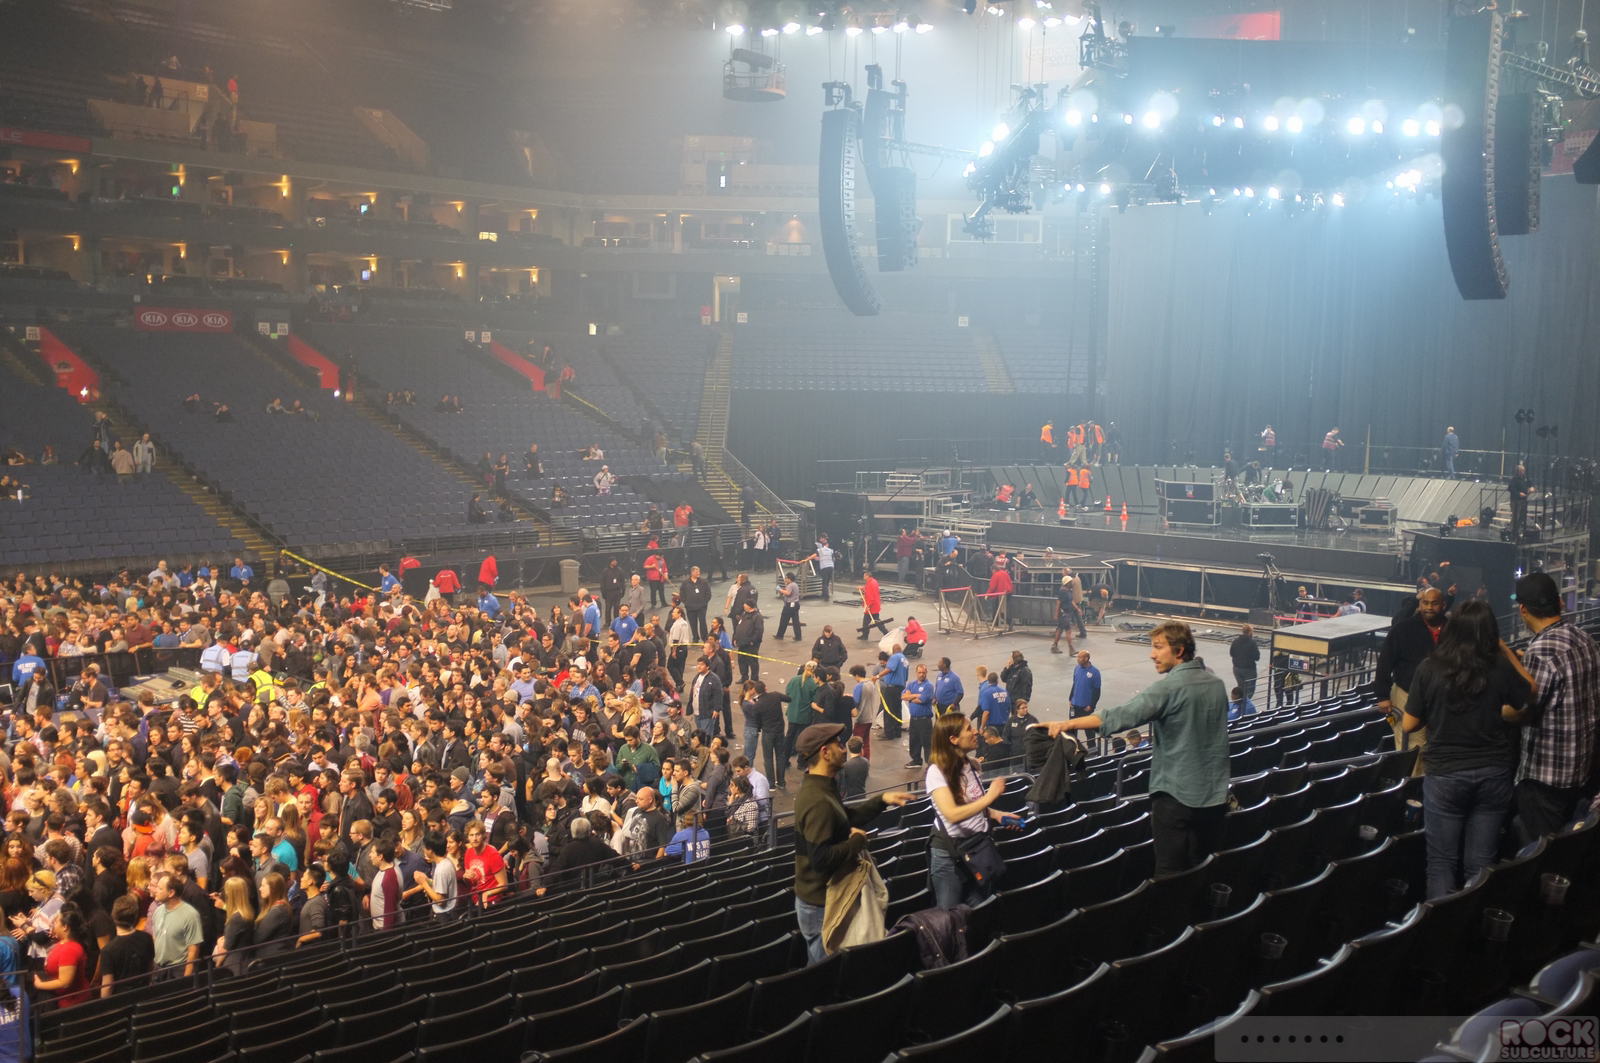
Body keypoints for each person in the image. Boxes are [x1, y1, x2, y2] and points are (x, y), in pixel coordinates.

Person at [1035, 622, 1229, 874]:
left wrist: (1067, 724)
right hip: (1214, 797)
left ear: (1179, 650)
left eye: (1158, 647)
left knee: (1169, 871)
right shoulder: (1217, 685)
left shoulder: (1167, 689)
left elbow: (1120, 716)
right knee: (1202, 867)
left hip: (1175, 798)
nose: (1152, 654)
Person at [1400, 601, 1534, 899]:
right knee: (1481, 863)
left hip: (1446, 774)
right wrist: (1505, 651)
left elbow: (1408, 724)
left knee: (1441, 862)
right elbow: (1529, 693)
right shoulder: (1499, 666)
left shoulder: (1430, 667)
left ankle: (1441, 925)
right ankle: (1471, 920)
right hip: (1494, 773)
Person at [792, 722, 912, 965]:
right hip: (820, 904)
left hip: (823, 899)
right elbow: (820, 858)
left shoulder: (823, 786)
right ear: (825, 753)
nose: (844, 749)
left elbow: (845, 819)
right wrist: (858, 840)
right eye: (838, 745)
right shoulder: (817, 801)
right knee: (824, 970)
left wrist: (881, 800)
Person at [1509, 573, 1600, 845]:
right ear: (1558, 603)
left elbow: (1523, 711)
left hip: (1544, 779)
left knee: (1541, 854)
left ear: (1523, 609)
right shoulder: (1585, 640)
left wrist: (1490, 707)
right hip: (1579, 772)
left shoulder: (1540, 652)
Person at [926, 713, 1010, 909]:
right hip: (950, 857)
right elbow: (952, 814)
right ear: (953, 739)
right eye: (968, 729)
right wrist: (991, 796)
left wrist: (997, 814)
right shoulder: (936, 772)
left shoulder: (972, 765)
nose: (975, 732)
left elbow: (975, 804)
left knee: (980, 909)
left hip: (976, 850)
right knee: (951, 915)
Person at [1375, 587, 1449, 772]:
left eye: (1434, 603)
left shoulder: (1453, 629)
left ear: (1443, 605)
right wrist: (1382, 695)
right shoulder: (1403, 628)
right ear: (1420, 604)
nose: (1429, 607)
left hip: (1442, 699)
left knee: (1434, 746)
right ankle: (1411, 785)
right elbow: (1385, 662)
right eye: (1425, 603)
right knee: (1413, 748)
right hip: (1406, 694)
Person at [148, 871, 203, 979]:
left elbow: (193, 951)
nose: (155, 891)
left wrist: (186, 978)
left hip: (178, 971)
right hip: (159, 969)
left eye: (160, 888)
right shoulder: (158, 910)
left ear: (171, 893)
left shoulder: (190, 915)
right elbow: (156, 938)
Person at [98, 895, 154, 997]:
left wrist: (103, 1004)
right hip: (144, 995)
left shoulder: (108, 951)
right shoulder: (147, 938)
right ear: (135, 916)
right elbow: (150, 969)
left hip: (121, 1000)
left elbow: (108, 986)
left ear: (113, 916)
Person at [35, 905, 91, 1008]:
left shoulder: (70, 950)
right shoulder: (64, 942)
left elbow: (64, 983)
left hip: (72, 1004)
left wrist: (39, 985)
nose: (53, 925)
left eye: (56, 922)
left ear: (65, 927)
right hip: (63, 999)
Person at [903, 663, 936, 769]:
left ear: (926, 673)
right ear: (916, 672)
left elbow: (923, 700)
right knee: (914, 741)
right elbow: (903, 696)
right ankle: (916, 761)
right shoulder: (912, 684)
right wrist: (916, 695)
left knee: (927, 744)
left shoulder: (928, 686)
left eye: (923, 672)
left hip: (924, 720)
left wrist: (910, 697)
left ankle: (931, 765)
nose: (921, 674)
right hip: (914, 719)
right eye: (919, 672)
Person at [1051, 575, 1080, 654]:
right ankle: (1071, 648)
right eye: (1071, 581)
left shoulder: (1069, 591)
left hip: (1067, 613)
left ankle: (1054, 645)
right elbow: (1058, 603)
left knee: (1060, 630)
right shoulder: (1063, 592)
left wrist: (1077, 608)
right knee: (1068, 631)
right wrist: (1056, 614)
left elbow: (1071, 601)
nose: (1073, 583)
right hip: (1063, 614)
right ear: (1067, 583)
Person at [1230, 625, 1260, 700]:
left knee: (1241, 688)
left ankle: (1239, 703)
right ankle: (1245, 704)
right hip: (1249, 670)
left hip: (1237, 668)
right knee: (1249, 690)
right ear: (1250, 632)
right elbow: (1257, 657)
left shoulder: (1236, 641)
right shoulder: (1252, 643)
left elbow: (1231, 653)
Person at [858, 572, 889, 640]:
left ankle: (865, 635)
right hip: (875, 605)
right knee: (877, 621)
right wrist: (863, 588)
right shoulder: (874, 582)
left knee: (866, 622)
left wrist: (868, 606)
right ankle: (886, 633)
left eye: (864, 576)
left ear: (867, 576)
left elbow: (870, 596)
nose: (863, 577)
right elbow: (868, 589)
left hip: (872, 606)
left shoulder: (870, 584)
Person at [776, 571, 803, 642]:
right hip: (796, 604)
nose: (785, 579)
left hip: (790, 605)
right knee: (796, 621)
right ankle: (798, 636)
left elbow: (788, 593)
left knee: (784, 620)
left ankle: (780, 635)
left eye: (786, 578)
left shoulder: (791, 585)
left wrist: (780, 590)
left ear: (789, 579)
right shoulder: (795, 585)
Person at [1507, 464, 1531, 542]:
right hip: (1516, 501)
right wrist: (1518, 494)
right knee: (1516, 516)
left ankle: (1516, 530)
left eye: (1523, 471)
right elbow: (1510, 489)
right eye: (1521, 471)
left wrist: (1531, 488)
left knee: (1522, 516)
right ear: (1518, 471)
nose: (1523, 472)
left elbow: (1530, 484)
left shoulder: (1525, 479)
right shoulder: (1514, 480)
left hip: (1523, 500)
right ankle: (1512, 531)